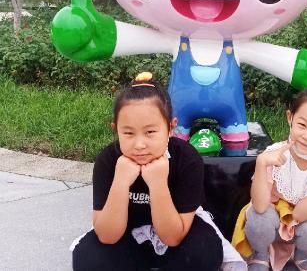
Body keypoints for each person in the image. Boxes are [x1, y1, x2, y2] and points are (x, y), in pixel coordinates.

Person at [71, 71, 223, 271]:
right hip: (125, 232)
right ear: (116, 129)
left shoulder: (186, 158)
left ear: (170, 127)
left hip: (176, 229)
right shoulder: (108, 160)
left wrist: (158, 183)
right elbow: (107, 236)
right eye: (128, 133)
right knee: (88, 258)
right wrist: (121, 182)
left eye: (150, 132)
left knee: (203, 253)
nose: (139, 145)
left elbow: (173, 237)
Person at [232, 87, 307, 271]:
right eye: (302, 125)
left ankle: (302, 256)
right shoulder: (273, 154)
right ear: (290, 117)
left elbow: (300, 214)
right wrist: (261, 163)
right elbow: (260, 206)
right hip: (270, 222)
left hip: (301, 223)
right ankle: (260, 255)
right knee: (257, 217)